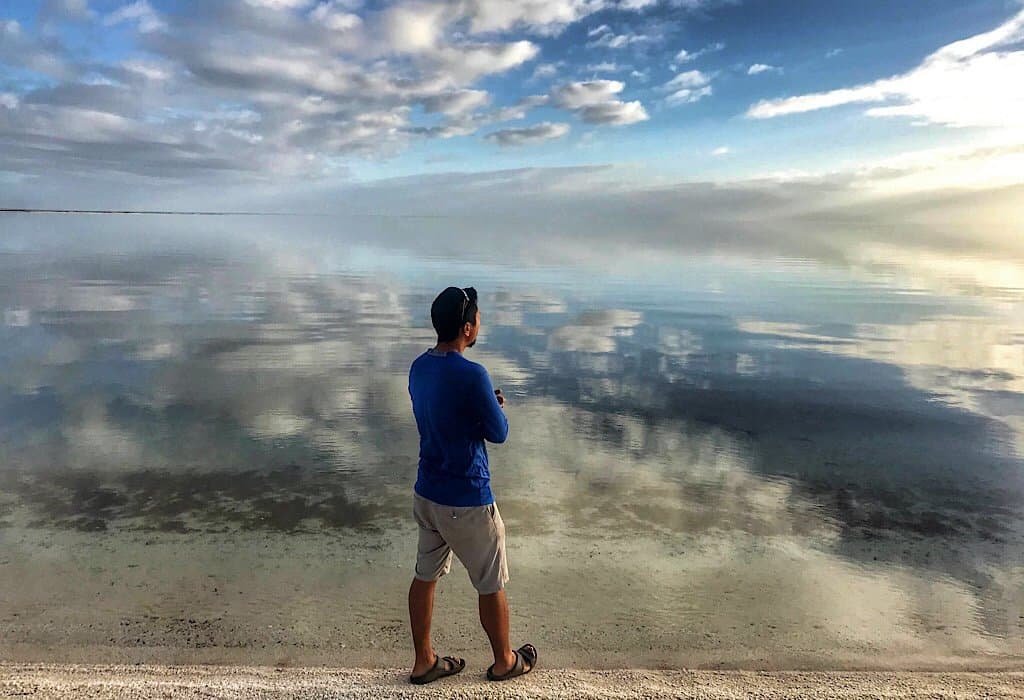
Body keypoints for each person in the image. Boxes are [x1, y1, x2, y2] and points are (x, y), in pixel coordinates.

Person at [406, 285, 537, 685]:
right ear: (467, 328)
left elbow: (441, 414)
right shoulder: (473, 373)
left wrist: (478, 405)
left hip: (427, 492)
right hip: (467, 498)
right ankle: (504, 661)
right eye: (477, 318)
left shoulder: (418, 367)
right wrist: (492, 407)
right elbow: (498, 433)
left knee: (424, 575)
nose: (480, 323)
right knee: (491, 581)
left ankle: (424, 661)